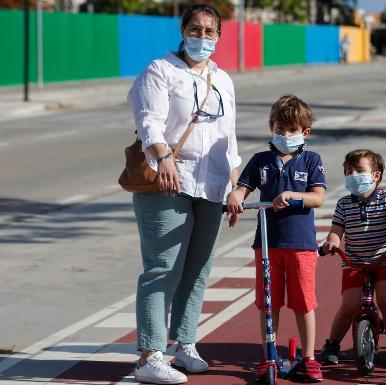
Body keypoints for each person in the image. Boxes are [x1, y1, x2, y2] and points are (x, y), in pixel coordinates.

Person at [127, 4, 241, 384]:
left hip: (211, 186)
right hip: (167, 182)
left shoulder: (222, 79)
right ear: (183, 29)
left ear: (219, 36)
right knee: (162, 269)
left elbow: (230, 138)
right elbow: (149, 123)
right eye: (196, 29)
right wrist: (164, 160)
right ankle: (149, 355)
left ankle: (185, 344)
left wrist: (235, 186)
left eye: (210, 31)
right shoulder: (159, 72)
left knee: (197, 270)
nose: (203, 37)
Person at [226, 95, 326, 382]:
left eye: (291, 130)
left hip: (300, 244)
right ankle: (269, 355)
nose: (285, 135)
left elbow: (318, 197)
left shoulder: (311, 160)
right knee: (268, 302)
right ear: (272, 128)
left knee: (303, 302)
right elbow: (242, 190)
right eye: (279, 129)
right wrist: (235, 197)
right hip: (268, 244)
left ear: (304, 133)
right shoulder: (260, 160)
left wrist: (294, 195)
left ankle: (308, 357)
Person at [319, 149, 386, 367]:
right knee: (349, 305)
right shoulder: (343, 204)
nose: (353, 175)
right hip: (354, 262)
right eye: (348, 172)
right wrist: (332, 242)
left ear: (376, 175)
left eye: (359, 171)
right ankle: (332, 344)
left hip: (384, 259)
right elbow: (336, 230)